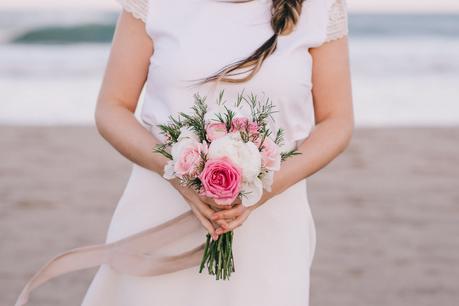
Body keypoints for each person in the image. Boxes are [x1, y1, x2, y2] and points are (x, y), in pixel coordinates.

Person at [81, 0, 354, 305]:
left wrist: (263, 189)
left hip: (270, 223)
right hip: (158, 208)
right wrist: (176, 171)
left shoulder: (320, 7)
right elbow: (112, 107)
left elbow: (337, 121)